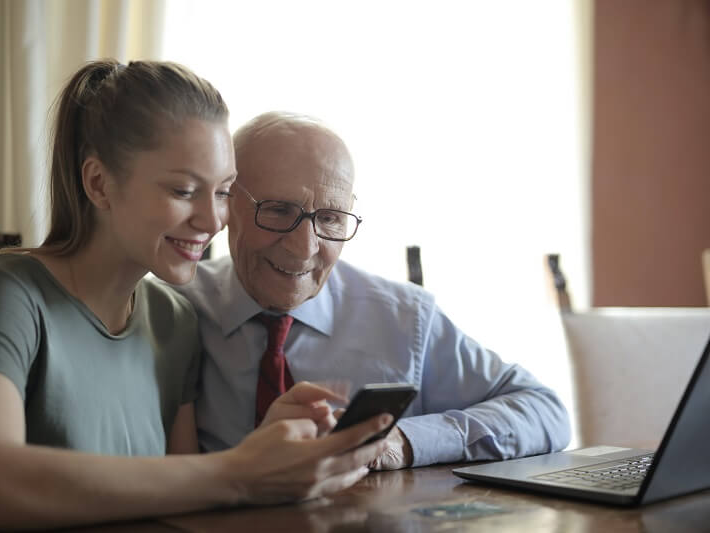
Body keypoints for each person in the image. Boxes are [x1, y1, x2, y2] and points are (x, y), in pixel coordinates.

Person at [0, 62, 393, 530]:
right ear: (98, 183)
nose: (213, 220)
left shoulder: (174, 319)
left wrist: (266, 451)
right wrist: (242, 471)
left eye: (224, 191)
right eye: (184, 190)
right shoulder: (9, 291)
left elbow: (182, 501)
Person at [176, 111, 572, 470]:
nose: (305, 248)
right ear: (225, 204)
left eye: (330, 218)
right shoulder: (171, 311)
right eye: (279, 211)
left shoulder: (404, 319)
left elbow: (545, 411)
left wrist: (405, 441)